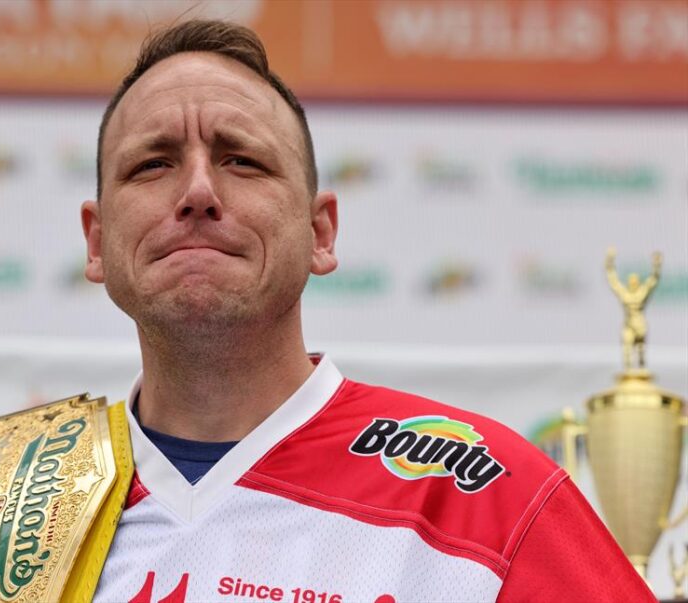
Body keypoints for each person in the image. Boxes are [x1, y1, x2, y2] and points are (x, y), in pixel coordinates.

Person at [80, 20, 653, 603]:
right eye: (152, 164)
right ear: (96, 242)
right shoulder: (27, 505)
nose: (198, 193)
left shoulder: (493, 500)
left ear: (320, 233)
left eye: (242, 160)